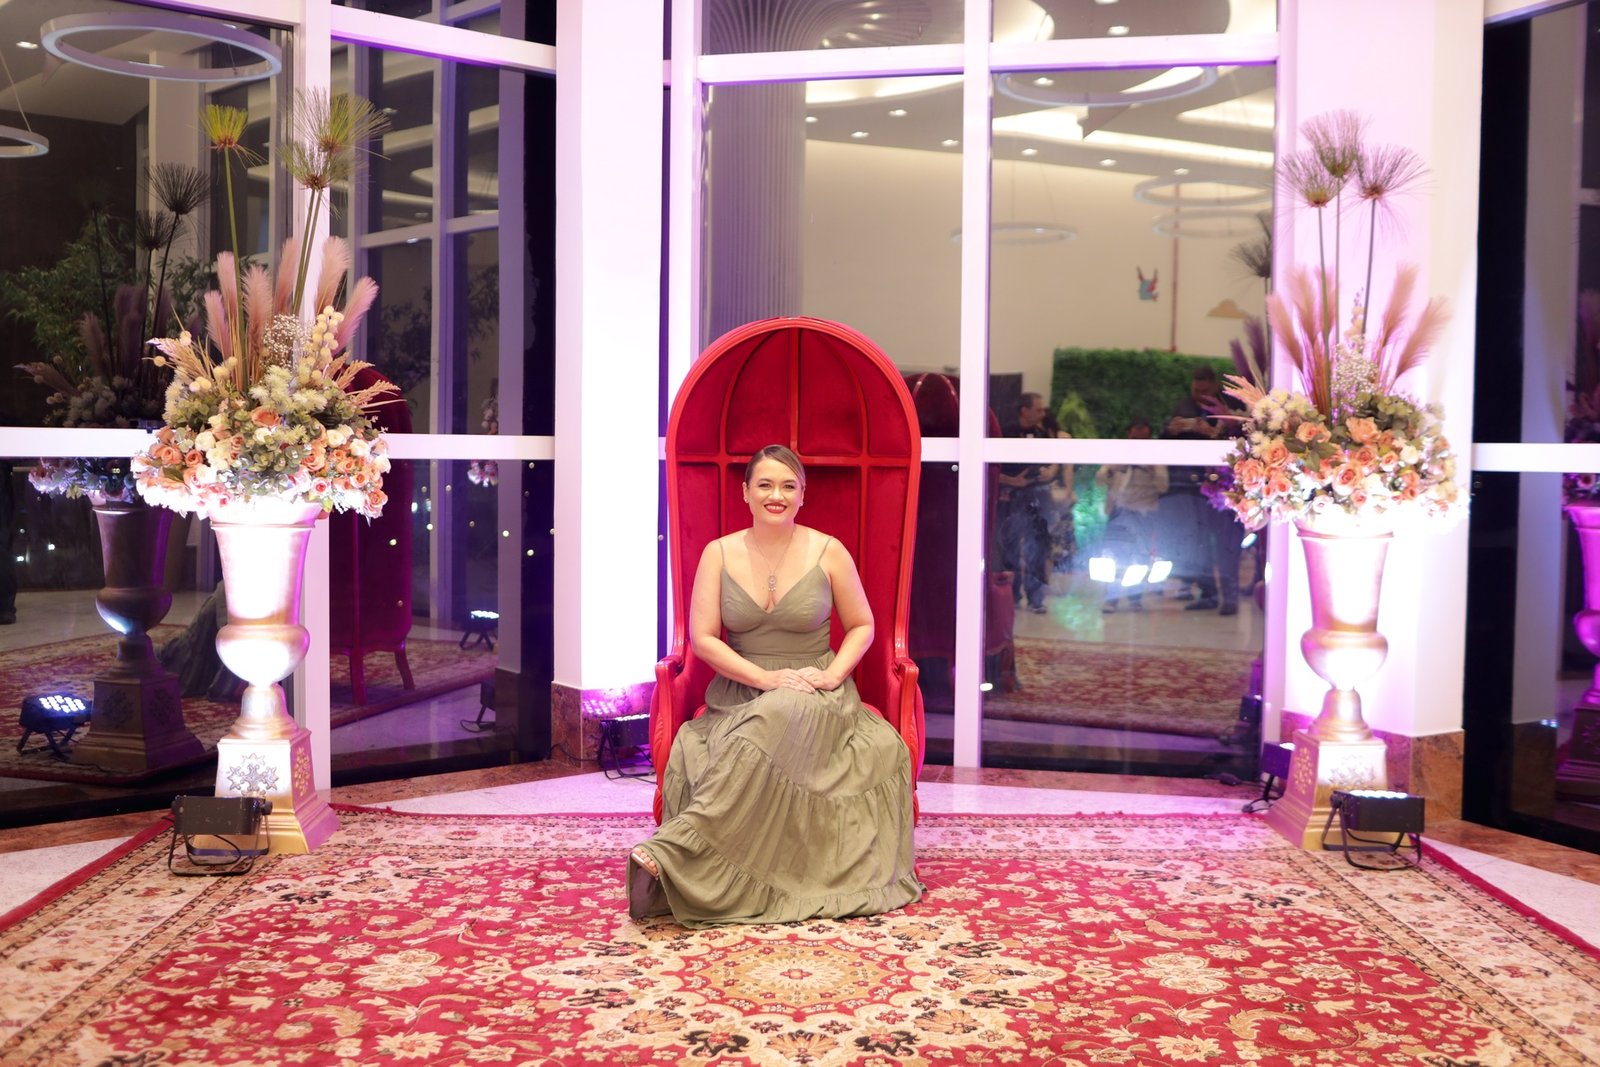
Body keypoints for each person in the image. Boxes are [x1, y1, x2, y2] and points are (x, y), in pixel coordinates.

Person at [627, 445, 923, 927]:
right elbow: (703, 638)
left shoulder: (829, 550)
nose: (776, 495)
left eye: (789, 486)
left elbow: (863, 625)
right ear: (745, 492)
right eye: (765, 484)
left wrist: (833, 674)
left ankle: (675, 851)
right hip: (740, 689)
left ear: (803, 495)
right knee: (748, 724)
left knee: (781, 710)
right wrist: (764, 678)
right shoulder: (718, 553)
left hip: (813, 689)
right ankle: (697, 863)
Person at [1161, 366, 1241, 615]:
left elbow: (1242, 440)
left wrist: (1214, 432)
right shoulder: (1183, 406)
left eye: (1204, 391)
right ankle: (1207, 593)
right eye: (1196, 391)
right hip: (1191, 486)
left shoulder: (1230, 406)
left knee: (1227, 543)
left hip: (1224, 485)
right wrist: (1170, 431)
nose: (1199, 395)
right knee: (1199, 543)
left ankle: (1230, 596)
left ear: (1215, 386)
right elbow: (1165, 444)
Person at [1095, 417, 1167, 613]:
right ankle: (1111, 598)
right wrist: (1112, 468)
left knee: (1141, 556)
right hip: (1119, 510)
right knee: (1114, 556)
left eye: (1143, 437)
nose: (1139, 440)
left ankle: (1135, 598)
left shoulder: (1156, 456)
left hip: (1143, 512)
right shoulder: (1119, 451)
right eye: (1135, 436)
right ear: (1129, 433)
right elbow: (1099, 478)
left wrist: (1150, 469)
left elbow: (1163, 486)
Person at [998, 392, 1057, 614]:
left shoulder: (1042, 434)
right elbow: (990, 467)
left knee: (1038, 548)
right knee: (1010, 548)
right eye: (1038, 409)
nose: (1042, 414)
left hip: (1037, 498)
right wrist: (1012, 481)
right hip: (1010, 499)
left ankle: (1036, 598)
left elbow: (1052, 463)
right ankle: (1011, 596)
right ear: (1025, 410)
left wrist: (1048, 472)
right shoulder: (1005, 433)